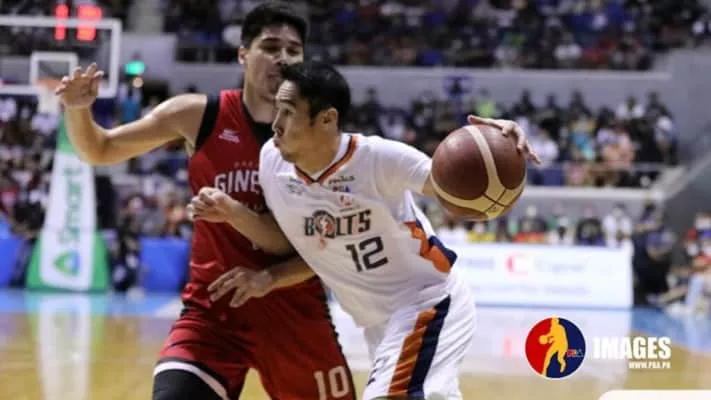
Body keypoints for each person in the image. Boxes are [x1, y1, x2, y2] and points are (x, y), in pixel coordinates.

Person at [54, 3, 357, 399]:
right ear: (243, 53)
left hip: (294, 313)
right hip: (214, 314)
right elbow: (100, 149)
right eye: (270, 47)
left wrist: (264, 271)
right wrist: (78, 111)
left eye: (293, 50)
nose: (282, 58)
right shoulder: (199, 115)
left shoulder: (322, 139)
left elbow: (326, 248)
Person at [190, 61, 538, 400]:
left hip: (426, 303)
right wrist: (257, 256)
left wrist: (499, 147)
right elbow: (309, 250)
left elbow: (458, 188)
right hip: (377, 325)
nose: (276, 124)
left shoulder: (379, 159)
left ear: (327, 119)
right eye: (276, 111)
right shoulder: (272, 163)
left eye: (289, 112)